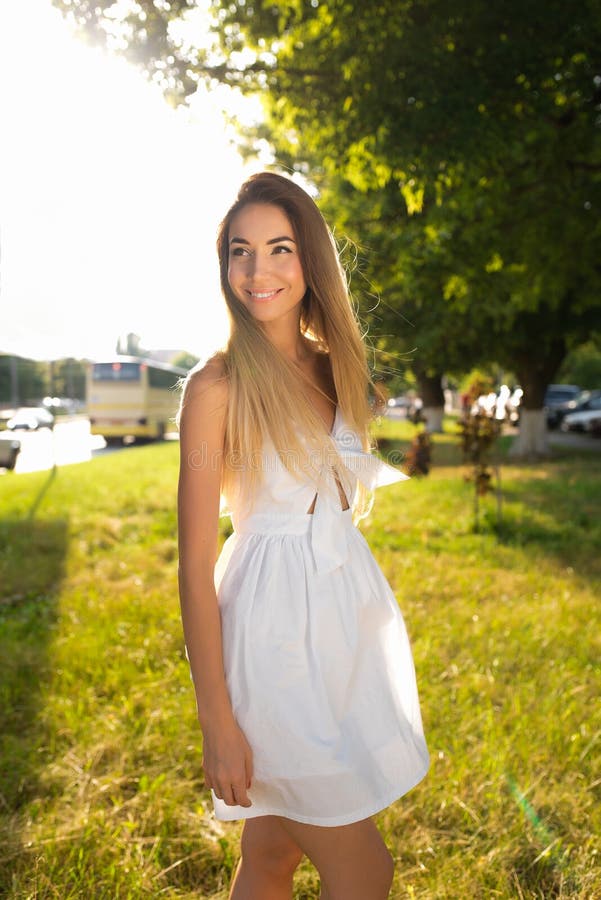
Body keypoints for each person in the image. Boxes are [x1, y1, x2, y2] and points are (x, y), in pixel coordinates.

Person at [177, 171, 429, 900]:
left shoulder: (333, 366)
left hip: (339, 633)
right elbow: (195, 564)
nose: (258, 271)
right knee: (363, 869)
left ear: (309, 258)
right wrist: (217, 719)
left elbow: (338, 498)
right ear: (223, 265)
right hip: (271, 645)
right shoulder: (216, 387)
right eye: (240, 251)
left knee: (270, 858)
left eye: (279, 249)